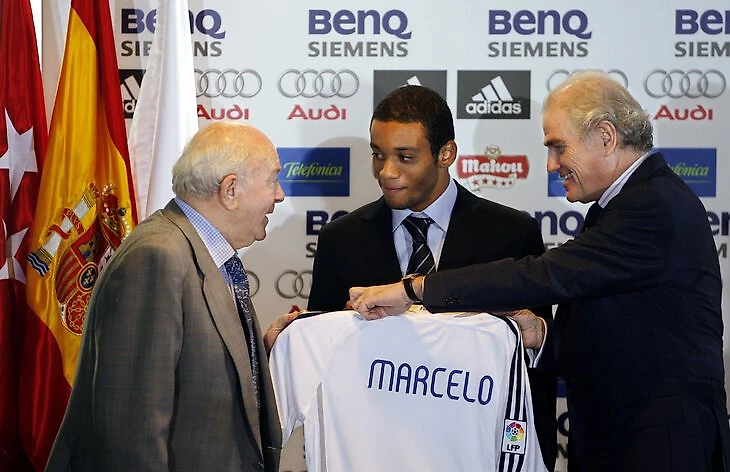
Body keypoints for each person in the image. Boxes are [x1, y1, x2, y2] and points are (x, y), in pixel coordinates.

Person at [349, 71, 730, 471]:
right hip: (624, 442)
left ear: (605, 136)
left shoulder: (652, 205)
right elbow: (623, 335)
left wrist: (413, 288)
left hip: (659, 448)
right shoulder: (622, 205)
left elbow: (544, 274)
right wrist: (541, 335)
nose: (551, 165)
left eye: (558, 147)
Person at [308, 84, 556, 470]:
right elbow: (318, 363)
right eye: (378, 155)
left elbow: (536, 366)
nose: (386, 172)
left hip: (476, 452)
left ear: (446, 154)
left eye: (405, 157)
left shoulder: (510, 234)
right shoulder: (341, 240)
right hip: (374, 452)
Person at [46, 122, 298, 472]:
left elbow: (192, 370)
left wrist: (256, 350)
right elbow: (132, 430)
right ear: (230, 190)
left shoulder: (200, 252)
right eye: (272, 180)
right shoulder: (156, 258)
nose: (279, 195)